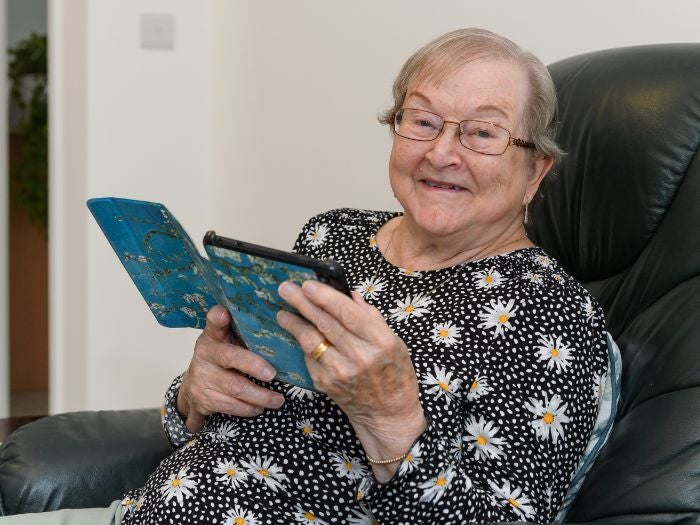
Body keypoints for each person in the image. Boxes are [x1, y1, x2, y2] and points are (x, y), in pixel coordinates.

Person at [1, 28, 609, 525]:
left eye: (482, 132)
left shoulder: (551, 316)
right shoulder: (331, 236)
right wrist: (193, 395)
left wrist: (392, 422)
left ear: (536, 170)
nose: (442, 152)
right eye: (422, 121)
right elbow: (220, 427)